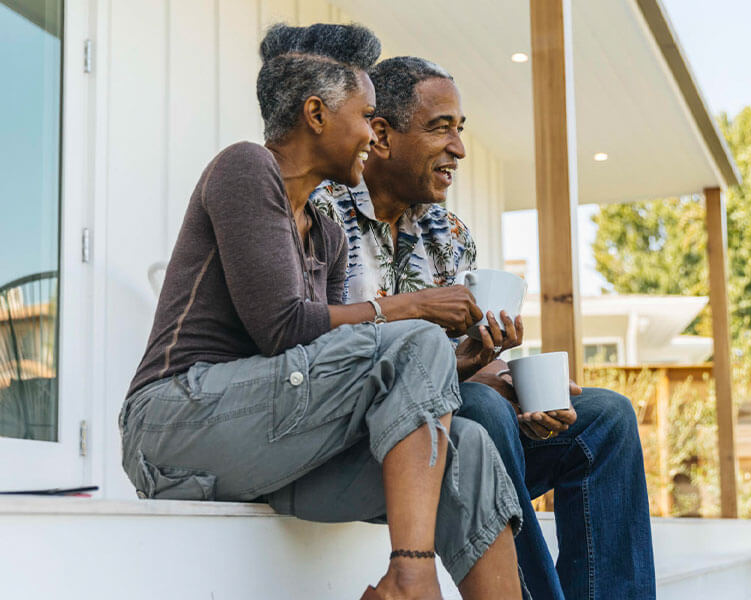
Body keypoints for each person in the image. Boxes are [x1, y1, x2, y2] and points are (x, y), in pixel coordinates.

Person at [119, 25, 522, 600]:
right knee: (415, 335)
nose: (371, 136)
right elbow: (283, 329)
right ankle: (411, 577)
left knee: (471, 451)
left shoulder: (328, 235)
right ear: (316, 114)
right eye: (364, 116)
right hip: (172, 426)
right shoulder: (245, 169)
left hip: (270, 441)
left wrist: (458, 363)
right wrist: (413, 307)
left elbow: (332, 366)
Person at [312, 56, 656, 600]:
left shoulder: (448, 233)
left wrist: (510, 378)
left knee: (605, 418)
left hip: (461, 422)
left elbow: (467, 362)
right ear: (380, 134)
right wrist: (478, 383)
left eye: (461, 130)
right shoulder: (323, 214)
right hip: (374, 441)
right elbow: (323, 358)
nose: (459, 149)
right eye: (440, 128)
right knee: (482, 408)